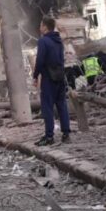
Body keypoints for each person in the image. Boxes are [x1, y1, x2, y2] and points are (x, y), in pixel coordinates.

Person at [32, 17, 71, 146]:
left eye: (40, 25)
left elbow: (40, 60)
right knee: (62, 105)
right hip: (60, 76)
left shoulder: (43, 41)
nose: (39, 27)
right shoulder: (58, 41)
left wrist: (35, 76)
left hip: (49, 78)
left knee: (47, 107)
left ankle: (49, 136)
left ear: (45, 27)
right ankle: (66, 134)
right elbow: (61, 59)